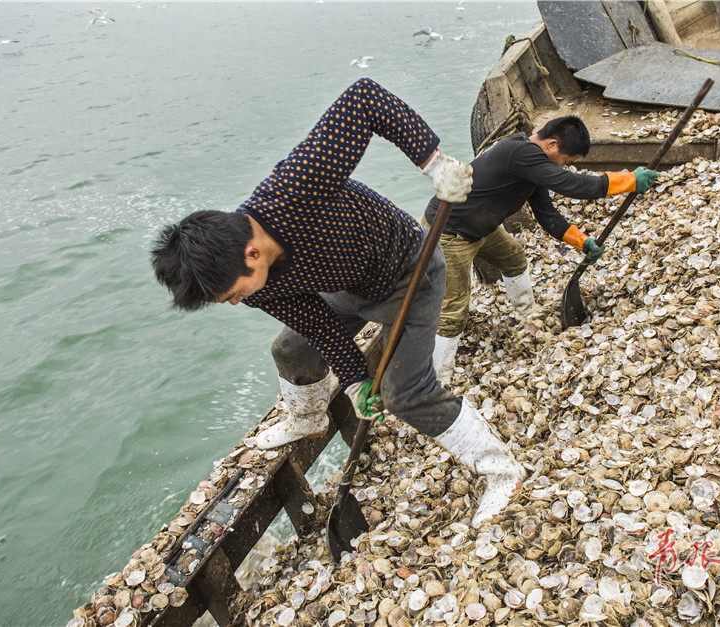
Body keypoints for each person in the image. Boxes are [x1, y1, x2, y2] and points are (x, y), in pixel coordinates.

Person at [151, 79, 524, 528]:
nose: (234, 303)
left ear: (249, 253)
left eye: (232, 294)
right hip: (345, 287)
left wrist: (434, 162)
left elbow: (364, 98)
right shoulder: (255, 283)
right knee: (289, 351)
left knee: (405, 394)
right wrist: (351, 380)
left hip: (409, 272)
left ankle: (502, 470)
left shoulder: (294, 189)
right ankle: (306, 419)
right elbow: (317, 323)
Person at [423, 115, 659, 383]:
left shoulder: (531, 166)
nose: (564, 167)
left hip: (479, 228)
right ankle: (439, 379)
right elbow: (572, 185)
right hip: (447, 233)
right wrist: (628, 180)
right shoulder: (521, 152)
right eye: (566, 161)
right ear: (552, 144)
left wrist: (583, 242)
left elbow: (547, 215)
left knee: (514, 258)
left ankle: (527, 317)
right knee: (454, 309)